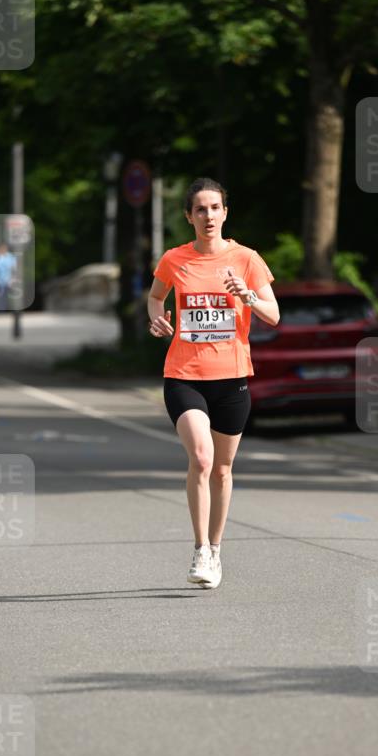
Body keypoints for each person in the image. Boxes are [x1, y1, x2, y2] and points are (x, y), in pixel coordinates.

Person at [147, 177, 279, 589]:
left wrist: (248, 297)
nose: (208, 216)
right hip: (184, 375)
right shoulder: (174, 260)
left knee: (222, 468)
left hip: (232, 378)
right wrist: (156, 316)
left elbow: (273, 316)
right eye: (200, 209)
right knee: (202, 458)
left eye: (215, 208)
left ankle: (217, 550)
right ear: (189, 216)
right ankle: (200, 549)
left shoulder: (246, 259)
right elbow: (155, 296)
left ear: (225, 213)